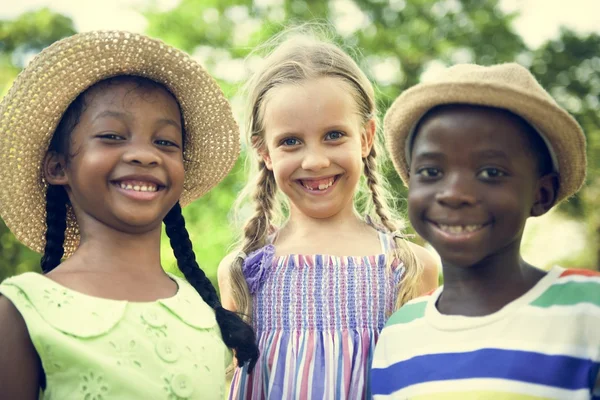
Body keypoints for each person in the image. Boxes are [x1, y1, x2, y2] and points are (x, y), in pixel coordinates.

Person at [0, 30, 258, 399]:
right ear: (57, 168)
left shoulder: (205, 314)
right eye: (112, 136)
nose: (145, 154)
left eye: (165, 142)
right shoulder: (22, 311)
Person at [218, 29, 438, 399]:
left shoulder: (411, 267)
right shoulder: (243, 271)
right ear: (265, 152)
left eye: (334, 135)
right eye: (290, 141)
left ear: (366, 137)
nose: (316, 160)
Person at [371, 62, 599, 399]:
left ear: (542, 194)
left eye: (491, 172)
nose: (453, 193)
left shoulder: (588, 309)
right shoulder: (398, 334)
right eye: (431, 171)